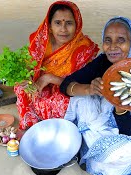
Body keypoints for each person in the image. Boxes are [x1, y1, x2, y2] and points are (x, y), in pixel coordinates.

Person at [60, 16, 131, 175]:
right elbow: (66, 85)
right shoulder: (103, 62)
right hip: (105, 121)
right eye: (108, 40)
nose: (113, 47)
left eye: (121, 40)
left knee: (121, 153)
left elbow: (130, 131)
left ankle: (126, 165)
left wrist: (120, 106)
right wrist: (88, 89)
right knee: (80, 100)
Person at [14, 0, 99, 130]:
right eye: (58, 23)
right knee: (21, 88)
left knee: (62, 102)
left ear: (77, 25)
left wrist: (49, 78)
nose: (63, 29)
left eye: (69, 23)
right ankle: (33, 122)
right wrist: (29, 80)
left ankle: (57, 127)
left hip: (66, 87)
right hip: (40, 85)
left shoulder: (84, 48)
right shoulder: (41, 42)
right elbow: (29, 66)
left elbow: (79, 83)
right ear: (50, 26)